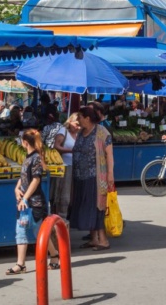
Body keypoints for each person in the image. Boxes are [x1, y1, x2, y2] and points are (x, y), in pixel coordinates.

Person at [6, 128, 58, 274]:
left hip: (34, 203)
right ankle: (21, 264)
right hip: (26, 202)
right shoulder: (28, 157)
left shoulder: (35, 158)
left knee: (39, 232)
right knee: (21, 231)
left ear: (24, 142)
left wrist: (25, 198)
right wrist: (17, 188)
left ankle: (54, 256)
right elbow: (24, 176)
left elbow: (36, 179)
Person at [70, 105, 114, 251]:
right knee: (85, 207)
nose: (77, 120)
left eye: (80, 117)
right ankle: (94, 238)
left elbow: (109, 155)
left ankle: (103, 240)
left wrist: (110, 174)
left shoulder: (101, 132)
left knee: (96, 207)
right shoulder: (82, 132)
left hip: (96, 177)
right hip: (80, 177)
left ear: (87, 118)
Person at [50, 112, 77, 222]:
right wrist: (71, 151)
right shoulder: (63, 132)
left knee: (72, 193)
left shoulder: (80, 133)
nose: (78, 127)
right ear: (70, 122)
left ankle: (70, 216)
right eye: (76, 124)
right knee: (64, 194)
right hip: (65, 166)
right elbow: (56, 146)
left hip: (77, 166)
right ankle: (62, 217)